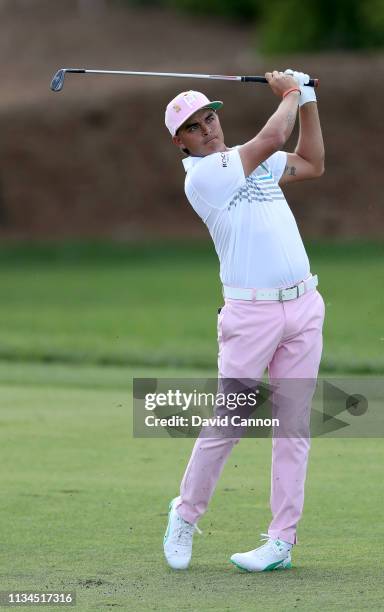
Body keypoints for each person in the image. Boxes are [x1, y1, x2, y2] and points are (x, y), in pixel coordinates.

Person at [162, 70, 325, 572]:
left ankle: (281, 541)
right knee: (230, 421)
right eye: (194, 126)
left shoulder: (260, 165)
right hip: (249, 316)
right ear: (181, 143)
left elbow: (313, 163)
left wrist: (310, 99)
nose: (207, 128)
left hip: (303, 307)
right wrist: (292, 92)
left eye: (210, 117)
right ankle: (185, 515)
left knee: (293, 427)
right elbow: (275, 134)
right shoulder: (205, 176)